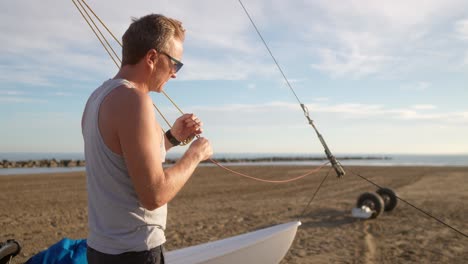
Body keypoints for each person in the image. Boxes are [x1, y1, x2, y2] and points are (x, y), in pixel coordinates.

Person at [81, 14, 213, 264]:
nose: (174, 74)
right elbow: (154, 195)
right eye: (175, 64)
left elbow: (126, 158)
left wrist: (173, 138)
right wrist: (196, 154)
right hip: (134, 252)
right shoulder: (135, 100)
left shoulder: (98, 96)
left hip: (101, 250)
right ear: (152, 57)